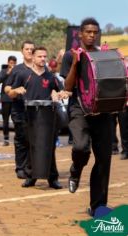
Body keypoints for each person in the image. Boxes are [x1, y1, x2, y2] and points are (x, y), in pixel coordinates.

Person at [60, 18, 113, 216]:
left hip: (102, 111)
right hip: (79, 109)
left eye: (95, 32)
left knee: (104, 159)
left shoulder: (103, 55)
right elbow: (67, 87)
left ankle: (98, 205)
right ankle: (76, 169)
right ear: (80, 34)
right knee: (81, 147)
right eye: (88, 32)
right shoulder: (69, 56)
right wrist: (75, 63)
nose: (91, 35)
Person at [8, 46, 66, 189]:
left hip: (48, 116)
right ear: (33, 58)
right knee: (31, 146)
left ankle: (53, 178)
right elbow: (10, 93)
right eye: (40, 56)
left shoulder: (50, 76)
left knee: (49, 146)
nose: (43, 59)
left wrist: (60, 94)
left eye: (44, 56)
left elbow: (62, 90)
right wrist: (16, 90)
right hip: (29, 115)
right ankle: (30, 177)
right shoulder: (24, 75)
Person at [4, 40, 35, 179]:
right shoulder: (17, 69)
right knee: (21, 139)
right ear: (22, 51)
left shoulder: (40, 68)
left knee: (33, 140)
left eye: (31, 49)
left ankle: (31, 167)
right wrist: (15, 90)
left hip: (36, 111)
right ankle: (20, 168)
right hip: (19, 110)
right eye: (27, 49)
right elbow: (7, 88)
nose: (29, 51)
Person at [0, 56, 17, 146]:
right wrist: (7, 73)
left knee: (16, 120)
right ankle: (6, 139)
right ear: (8, 63)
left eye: (14, 63)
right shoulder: (3, 71)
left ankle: (17, 139)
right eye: (11, 63)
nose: (12, 64)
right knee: (5, 120)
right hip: (5, 99)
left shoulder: (17, 71)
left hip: (15, 99)